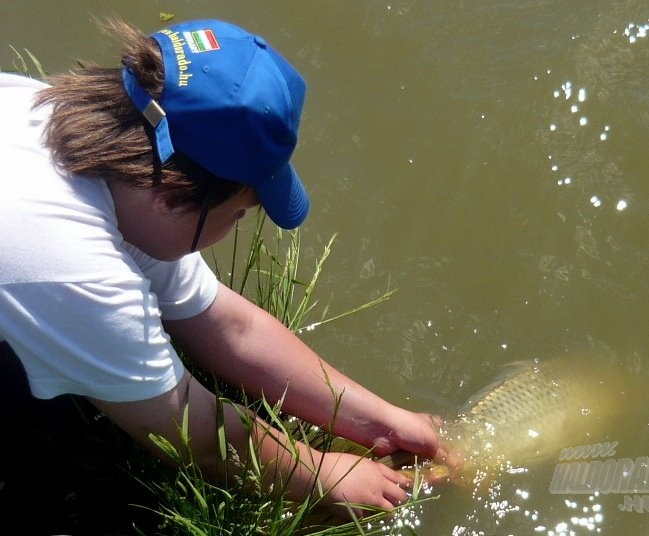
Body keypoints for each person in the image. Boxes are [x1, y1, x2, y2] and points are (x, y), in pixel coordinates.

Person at [0, 18, 439, 518]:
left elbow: (229, 325)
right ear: (170, 198)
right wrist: (321, 475)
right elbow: (189, 430)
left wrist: (382, 421)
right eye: (237, 214)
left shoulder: (80, 140)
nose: (235, 226)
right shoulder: (71, 266)